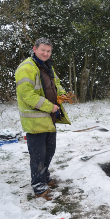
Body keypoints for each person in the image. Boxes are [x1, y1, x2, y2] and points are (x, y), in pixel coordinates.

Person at [15, 37, 71, 200]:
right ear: (35, 49)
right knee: (38, 155)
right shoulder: (26, 67)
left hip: (49, 119)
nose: (46, 53)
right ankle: (39, 187)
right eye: (43, 50)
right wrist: (49, 106)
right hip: (35, 120)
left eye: (48, 51)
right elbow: (26, 95)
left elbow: (57, 84)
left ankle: (44, 177)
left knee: (49, 152)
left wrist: (61, 95)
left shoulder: (47, 66)